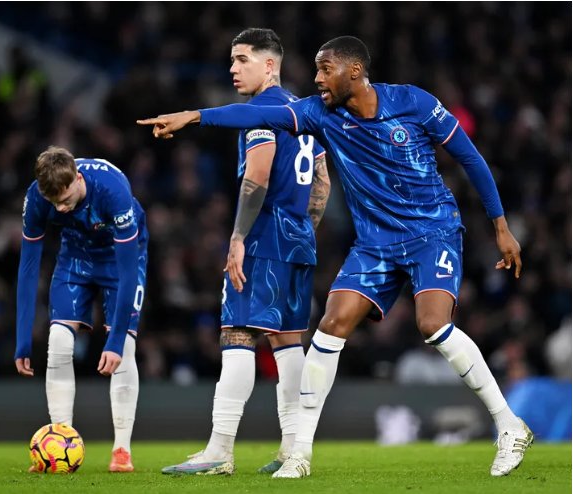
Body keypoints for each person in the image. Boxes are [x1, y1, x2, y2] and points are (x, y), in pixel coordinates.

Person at [138, 36, 533, 478]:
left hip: (431, 232)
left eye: (325, 70)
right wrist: (195, 116)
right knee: (331, 324)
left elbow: (471, 159)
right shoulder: (318, 112)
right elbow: (257, 113)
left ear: (354, 72)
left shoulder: (414, 103)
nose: (317, 78)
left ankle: (508, 424)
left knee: (432, 323)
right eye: (316, 70)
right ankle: (300, 454)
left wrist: (500, 228)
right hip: (375, 244)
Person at [160, 28, 330, 476]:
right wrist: (303, 232)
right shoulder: (303, 112)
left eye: (241, 59)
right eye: (231, 60)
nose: (232, 69)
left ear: (269, 65)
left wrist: (238, 238)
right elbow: (322, 184)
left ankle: (219, 450)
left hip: (264, 236)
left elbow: (256, 177)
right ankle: (293, 449)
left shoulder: (261, 113)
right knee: (288, 342)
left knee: (237, 333)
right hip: (298, 241)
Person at [15, 146, 148, 473]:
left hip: (121, 260)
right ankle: (60, 441)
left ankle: (121, 451)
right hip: (75, 257)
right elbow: (29, 268)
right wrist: (21, 338)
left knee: (125, 349)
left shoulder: (114, 191)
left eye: (64, 200)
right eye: (53, 203)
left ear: (77, 178)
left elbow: (129, 270)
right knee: (58, 342)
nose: (59, 209)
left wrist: (115, 340)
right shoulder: (37, 197)